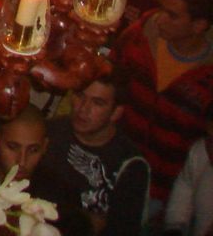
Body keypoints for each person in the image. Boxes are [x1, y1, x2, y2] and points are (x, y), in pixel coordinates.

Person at [114, 0, 213, 214]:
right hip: (112, 168)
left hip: (163, 194)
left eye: (173, 15)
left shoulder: (208, 76)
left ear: (199, 25)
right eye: (161, 8)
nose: (160, 19)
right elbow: (109, 82)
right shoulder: (139, 36)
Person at [47, 75, 153, 236]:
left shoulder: (132, 165)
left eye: (97, 103)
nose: (83, 109)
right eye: (80, 96)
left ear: (116, 112)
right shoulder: (50, 132)